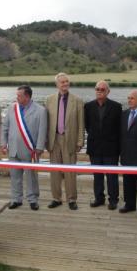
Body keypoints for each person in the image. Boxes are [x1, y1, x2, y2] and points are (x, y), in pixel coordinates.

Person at [0, 85, 47, 210]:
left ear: (27, 96)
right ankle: (16, 199)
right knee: (15, 176)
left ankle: (33, 199)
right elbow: (4, 127)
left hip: (31, 150)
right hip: (13, 149)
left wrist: (39, 148)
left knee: (32, 177)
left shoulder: (40, 110)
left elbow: (42, 131)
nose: (17, 97)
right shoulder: (12, 108)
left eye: (19, 95)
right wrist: (3, 143)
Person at [45, 73, 84, 210]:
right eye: (62, 82)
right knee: (54, 171)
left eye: (67, 81)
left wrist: (80, 142)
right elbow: (46, 122)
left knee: (70, 171)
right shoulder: (49, 100)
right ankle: (56, 198)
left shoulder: (77, 100)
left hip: (70, 140)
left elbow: (81, 124)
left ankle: (71, 199)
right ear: (57, 84)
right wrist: (45, 141)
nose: (65, 84)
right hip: (54, 139)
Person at [84, 81, 122, 210]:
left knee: (112, 176)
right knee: (97, 175)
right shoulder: (88, 106)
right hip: (94, 147)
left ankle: (113, 200)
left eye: (102, 89)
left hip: (111, 148)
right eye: (97, 89)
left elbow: (119, 128)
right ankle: (99, 198)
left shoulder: (117, 107)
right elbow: (87, 126)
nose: (99, 90)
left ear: (108, 91)